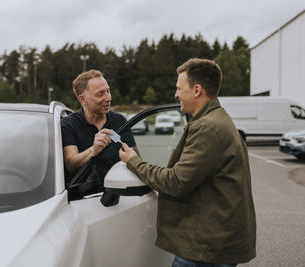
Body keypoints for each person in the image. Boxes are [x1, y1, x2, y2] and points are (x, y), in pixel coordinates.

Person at [119, 58, 256, 266]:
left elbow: (176, 182)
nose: (176, 94)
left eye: (179, 88)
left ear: (197, 90)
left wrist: (133, 162)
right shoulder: (217, 119)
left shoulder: (207, 127)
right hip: (215, 240)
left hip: (206, 248)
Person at [61, 69, 136, 185]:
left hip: (119, 194)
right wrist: (93, 150)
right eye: (100, 94)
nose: (108, 98)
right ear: (83, 99)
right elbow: (71, 164)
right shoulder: (68, 124)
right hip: (82, 198)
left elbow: (135, 159)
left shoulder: (119, 120)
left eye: (108, 91)